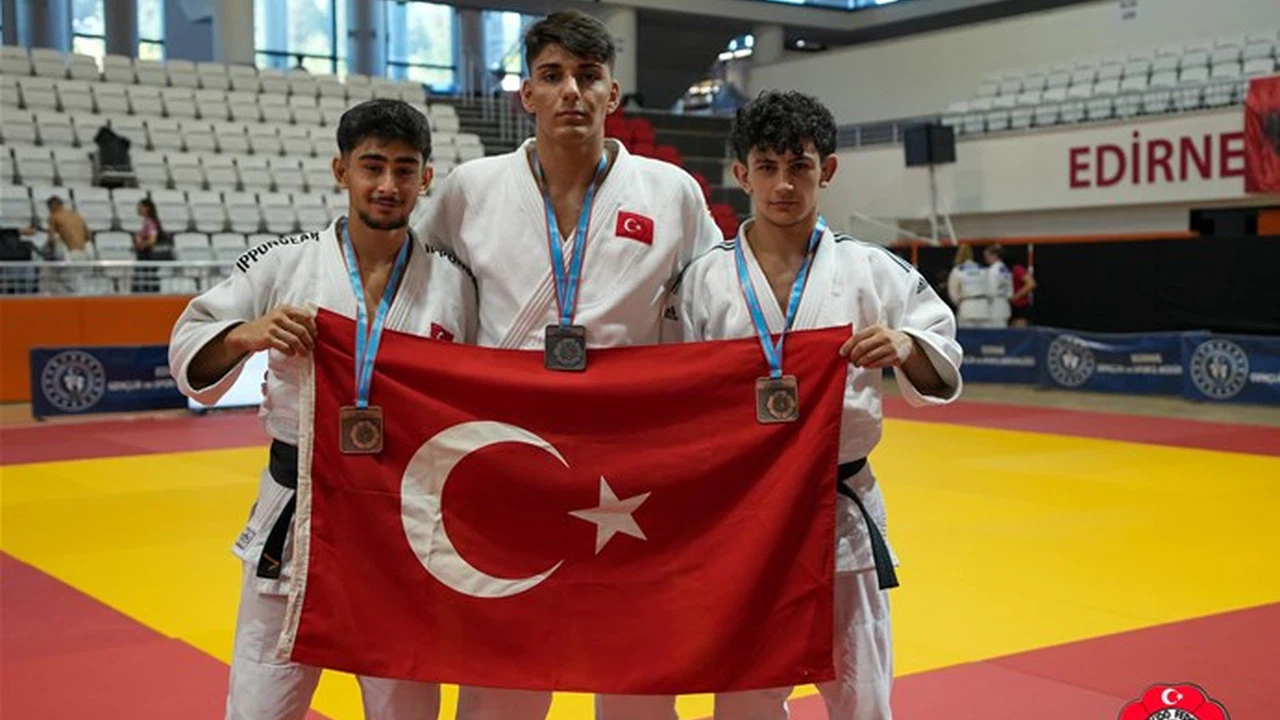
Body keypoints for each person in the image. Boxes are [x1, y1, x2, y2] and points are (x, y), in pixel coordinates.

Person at [415, 9, 722, 719]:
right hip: (510, 454)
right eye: (552, 76)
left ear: (613, 91)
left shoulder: (671, 191)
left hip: (629, 455)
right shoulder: (470, 188)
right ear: (527, 94)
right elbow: (419, 290)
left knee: (637, 661)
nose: (571, 92)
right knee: (503, 666)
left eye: (588, 76)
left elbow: (719, 306)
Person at [169, 99, 477, 720]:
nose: (387, 185)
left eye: (404, 169)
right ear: (342, 171)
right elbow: (188, 343)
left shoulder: (454, 282)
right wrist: (244, 335)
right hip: (299, 507)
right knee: (261, 704)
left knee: (405, 705)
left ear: (426, 178)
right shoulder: (284, 261)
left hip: (404, 516)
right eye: (372, 166)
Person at [667, 90, 963, 720]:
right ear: (742, 173)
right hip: (744, 513)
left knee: (861, 694)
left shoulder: (872, 270)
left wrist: (906, 345)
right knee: (744, 695)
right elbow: (674, 395)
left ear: (826, 170)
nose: (784, 185)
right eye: (767, 167)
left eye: (799, 166)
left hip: (841, 508)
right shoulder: (702, 280)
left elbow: (938, 350)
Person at [946, 242, 987, 328]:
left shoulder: (958, 270)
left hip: (967, 306)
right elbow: (989, 287)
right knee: (984, 334)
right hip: (983, 307)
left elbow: (952, 292)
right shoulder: (982, 269)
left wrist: (958, 302)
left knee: (966, 334)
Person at [132, 198, 165, 293]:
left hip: (147, 256)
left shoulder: (150, 223)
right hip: (145, 256)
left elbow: (152, 240)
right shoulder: (146, 221)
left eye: (140, 207)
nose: (138, 209)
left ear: (147, 208)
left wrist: (139, 245)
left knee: (148, 282)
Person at [983, 244, 1013, 328]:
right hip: (1005, 305)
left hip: (994, 305)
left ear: (995, 256)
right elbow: (1010, 292)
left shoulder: (993, 270)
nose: (986, 259)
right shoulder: (1005, 269)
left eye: (987, 256)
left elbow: (990, 291)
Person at [1009, 260, 1036, 327]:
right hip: (1005, 307)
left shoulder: (1017, 269)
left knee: (1019, 331)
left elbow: (1031, 284)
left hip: (1020, 306)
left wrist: (1014, 297)